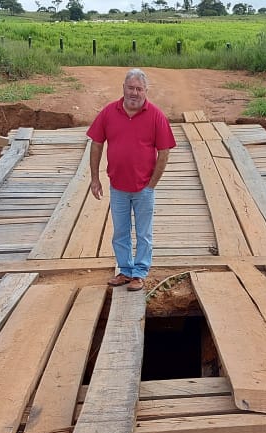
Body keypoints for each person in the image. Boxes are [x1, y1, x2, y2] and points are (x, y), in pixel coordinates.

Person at [86, 68, 176, 292]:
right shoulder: (109, 112)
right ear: (123, 88)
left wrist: (152, 184)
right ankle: (125, 270)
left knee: (144, 233)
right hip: (117, 186)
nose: (134, 93)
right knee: (120, 231)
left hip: (143, 187)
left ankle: (140, 273)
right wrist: (94, 178)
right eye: (131, 88)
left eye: (139, 89)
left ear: (145, 91)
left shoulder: (156, 115)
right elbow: (96, 144)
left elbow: (164, 152)